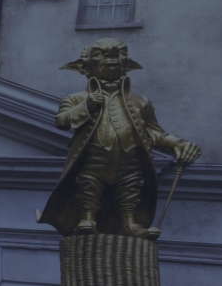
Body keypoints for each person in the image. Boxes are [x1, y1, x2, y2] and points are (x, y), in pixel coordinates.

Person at [38, 43, 199, 238]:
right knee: (89, 185)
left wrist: (177, 143)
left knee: (129, 189)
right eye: (102, 55)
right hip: (93, 160)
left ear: (127, 64)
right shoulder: (76, 98)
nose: (112, 58)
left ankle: (128, 223)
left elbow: (153, 131)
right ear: (85, 67)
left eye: (119, 54)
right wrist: (86, 106)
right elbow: (62, 121)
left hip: (130, 161)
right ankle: (87, 219)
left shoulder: (140, 102)